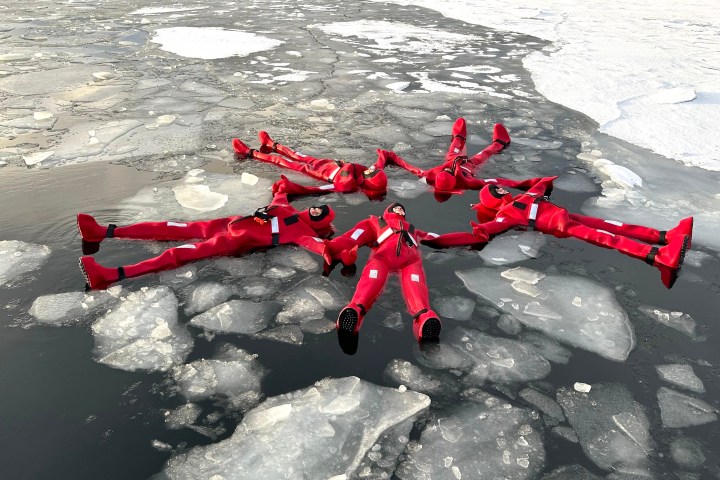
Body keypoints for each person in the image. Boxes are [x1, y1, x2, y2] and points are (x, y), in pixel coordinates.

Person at [427, 177, 693, 289]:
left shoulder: (523, 197)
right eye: (496, 192)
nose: (501, 191)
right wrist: (438, 241)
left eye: (499, 189)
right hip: (562, 224)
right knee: (607, 237)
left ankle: (663, 236)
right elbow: (483, 233)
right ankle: (658, 257)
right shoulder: (508, 214)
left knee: (612, 225)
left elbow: (541, 184)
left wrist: (532, 183)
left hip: (566, 214)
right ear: (493, 201)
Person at [76, 190, 337, 290]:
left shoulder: (300, 233)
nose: (317, 209)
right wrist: (281, 187)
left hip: (231, 242)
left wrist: (330, 253)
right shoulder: (286, 210)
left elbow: (319, 246)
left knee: (177, 255)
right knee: (168, 227)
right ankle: (102, 232)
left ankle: (110, 275)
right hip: (222, 224)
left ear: (320, 222)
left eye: (321, 212)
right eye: (319, 206)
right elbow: (280, 194)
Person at [326, 202, 444, 344]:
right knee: (371, 282)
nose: (400, 209)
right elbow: (354, 235)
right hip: (382, 258)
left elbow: (436, 238)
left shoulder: (413, 229)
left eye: (402, 208)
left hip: (410, 262)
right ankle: (355, 311)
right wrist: (334, 246)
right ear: (388, 210)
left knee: (416, 286)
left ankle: (424, 317)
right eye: (396, 207)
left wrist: (470, 237)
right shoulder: (377, 222)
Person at [376, 117, 542, 201]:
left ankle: (459, 136)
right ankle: (500, 142)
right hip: (470, 166)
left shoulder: (429, 175)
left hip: (453, 158)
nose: (448, 170)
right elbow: (497, 181)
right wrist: (530, 183)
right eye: (449, 173)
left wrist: (388, 157)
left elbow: (408, 166)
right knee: (485, 153)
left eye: (446, 171)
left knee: (454, 147)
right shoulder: (469, 182)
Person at [232, 131, 387, 199]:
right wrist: (383, 156)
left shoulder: (348, 185)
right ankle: (271, 144)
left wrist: (291, 188)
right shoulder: (368, 172)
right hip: (325, 163)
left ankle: (249, 153)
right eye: (374, 171)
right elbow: (379, 164)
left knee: (283, 162)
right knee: (295, 154)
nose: (371, 170)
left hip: (316, 171)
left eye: (372, 174)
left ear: (369, 182)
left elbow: (318, 189)